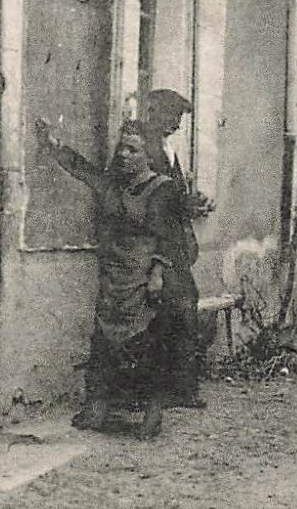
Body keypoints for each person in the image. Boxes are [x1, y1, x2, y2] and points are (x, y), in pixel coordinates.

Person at [38, 120, 193, 438]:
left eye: (132, 149)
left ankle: (152, 410)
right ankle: (97, 406)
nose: (123, 155)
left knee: (146, 343)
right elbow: (82, 170)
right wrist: (54, 145)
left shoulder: (163, 189)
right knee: (105, 340)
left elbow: (171, 238)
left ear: (147, 154)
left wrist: (158, 274)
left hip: (144, 274)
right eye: (121, 148)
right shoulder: (112, 184)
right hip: (113, 274)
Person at [135, 89, 207, 408]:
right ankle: (162, 391)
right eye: (172, 116)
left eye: (179, 118)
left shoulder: (167, 149)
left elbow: (173, 199)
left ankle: (179, 388)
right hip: (155, 245)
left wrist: (193, 203)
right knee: (167, 315)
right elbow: (152, 202)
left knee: (183, 312)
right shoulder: (144, 149)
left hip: (174, 245)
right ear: (154, 113)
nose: (177, 124)